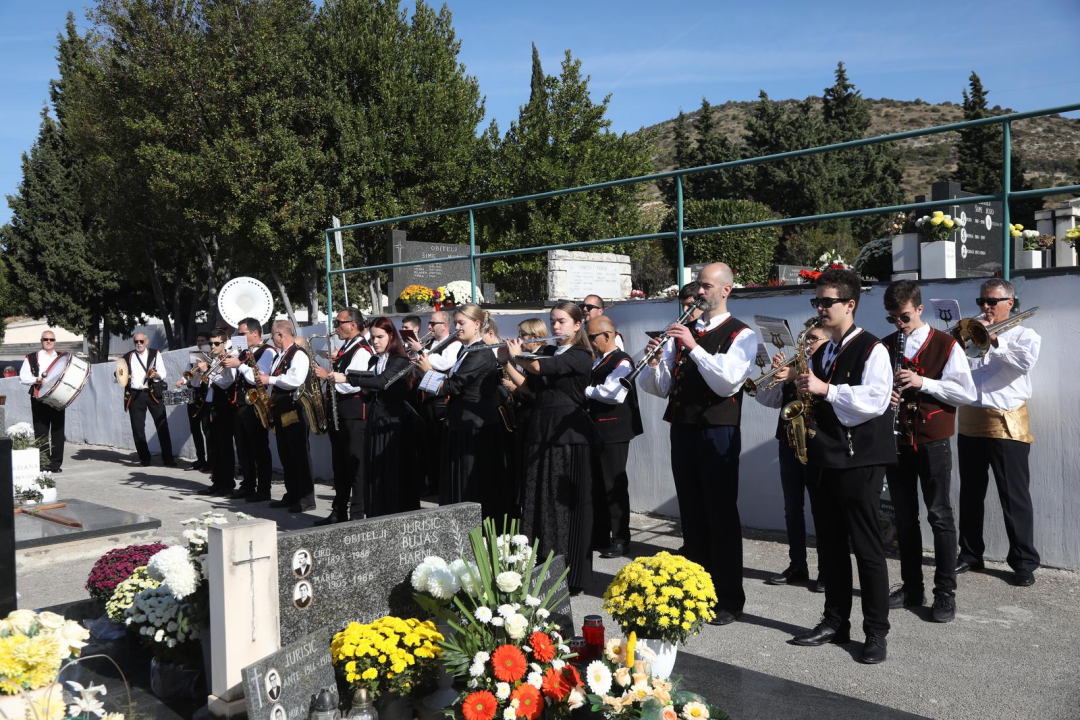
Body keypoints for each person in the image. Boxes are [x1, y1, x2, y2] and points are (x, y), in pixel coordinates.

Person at [638, 262, 756, 625]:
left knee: (720, 514)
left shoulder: (742, 334)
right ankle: (694, 593)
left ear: (725, 290)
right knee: (692, 514)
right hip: (683, 428)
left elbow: (727, 384)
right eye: (699, 286)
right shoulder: (684, 331)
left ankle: (729, 599)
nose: (699, 292)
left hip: (717, 431)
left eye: (707, 286)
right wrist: (656, 361)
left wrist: (694, 346)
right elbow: (660, 389)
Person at [790, 268, 893, 665]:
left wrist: (825, 389)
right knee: (830, 545)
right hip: (824, 457)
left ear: (850, 304)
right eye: (816, 301)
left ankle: (876, 633)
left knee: (866, 548)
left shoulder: (873, 349)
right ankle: (835, 621)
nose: (820, 308)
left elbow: (875, 400)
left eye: (826, 302)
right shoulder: (826, 348)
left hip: (859, 459)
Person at [881, 281, 976, 623]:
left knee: (939, 515)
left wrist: (924, 383)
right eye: (893, 319)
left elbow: (966, 393)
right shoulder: (885, 345)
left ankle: (945, 593)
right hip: (896, 440)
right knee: (904, 517)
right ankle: (911, 587)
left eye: (904, 317)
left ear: (919, 310)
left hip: (932, 439)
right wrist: (884, 397)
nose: (899, 325)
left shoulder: (946, 344)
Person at [956, 278, 1041, 587]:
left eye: (992, 301)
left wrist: (993, 341)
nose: (986, 307)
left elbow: (1024, 364)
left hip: (1007, 421)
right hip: (970, 419)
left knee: (1014, 496)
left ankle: (1023, 562)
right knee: (970, 492)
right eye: (982, 302)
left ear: (1010, 303)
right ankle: (969, 554)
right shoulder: (968, 332)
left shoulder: (1025, 335)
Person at [506, 302, 596, 593]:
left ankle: (566, 572)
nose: (555, 327)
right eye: (552, 321)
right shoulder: (548, 350)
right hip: (540, 431)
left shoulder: (581, 355)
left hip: (566, 435)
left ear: (577, 325)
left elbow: (540, 367)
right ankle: (539, 566)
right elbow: (530, 386)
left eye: (561, 321)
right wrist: (505, 359)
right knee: (537, 500)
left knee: (561, 505)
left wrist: (517, 354)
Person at [753, 318, 829, 592]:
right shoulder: (794, 365)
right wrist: (775, 377)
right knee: (792, 508)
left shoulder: (826, 365)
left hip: (816, 445)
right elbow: (769, 401)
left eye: (814, 339)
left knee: (822, 510)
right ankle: (798, 565)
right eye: (807, 340)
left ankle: (827, 570)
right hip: (787, 442)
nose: (809, 345)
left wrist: (796, 377)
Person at [416, 305, 507, 518]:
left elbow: (452, 386)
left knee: (470, 483)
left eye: (461, 323)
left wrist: (427, 372)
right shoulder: (465, 350)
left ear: (477, 325)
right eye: (455, 323)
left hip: (474, 427)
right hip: (460, 422)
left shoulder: (480, 352)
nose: (457, 328)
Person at [346, 317, 420, 517]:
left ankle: (397, 513)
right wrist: (363, 386)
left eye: (380, 337)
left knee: (393, 470)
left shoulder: (399, 358)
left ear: (391, 336)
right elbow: (369, 391)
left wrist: (348, 378)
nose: (375, 342)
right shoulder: (374, 359)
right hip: (376, 417)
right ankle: (377, 512)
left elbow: (383, 382)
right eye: (372, 338)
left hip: (394, 421)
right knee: (375, 469)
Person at [584, 316, 642, 559]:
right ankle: (600, 534)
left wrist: (583, 390)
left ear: (607, 336)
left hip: (614, 431)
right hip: (597, 430)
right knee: (597, 483)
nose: (589, 341)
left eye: (592, 337)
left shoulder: (623, 361)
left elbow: (613, 393)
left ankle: (620, 538)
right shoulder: (599, 360)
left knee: (613, 484)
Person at [316, 307, 372, 525]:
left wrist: (328, 376)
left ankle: (357, 513)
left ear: (353, 325)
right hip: (340, 413)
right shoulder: (348, 347)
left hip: (354, 414)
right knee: (340, 465)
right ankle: (338, 511)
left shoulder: (362, 350)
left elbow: (354, 384)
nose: (335, 328)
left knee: (355, 466)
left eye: (338, 323)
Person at [258, 321, 316, 513]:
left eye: (273, 335)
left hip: (294, 409)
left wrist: (270, 379)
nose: (272, 339)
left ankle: (306, 498)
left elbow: (295, 380)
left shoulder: (298, 354)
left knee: (299, 455)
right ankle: (292, 494)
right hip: (281, 409)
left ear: (280, 335)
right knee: (286, 455)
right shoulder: (281, 355)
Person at [407, 311, 461, 496]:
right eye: (429, 323)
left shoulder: (454, 344)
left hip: (441, 399)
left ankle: (440, 485)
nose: (429, 327)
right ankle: (431, 482)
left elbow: (445, 363)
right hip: (425, 397)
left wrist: (421, 352)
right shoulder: (430, 344)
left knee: (439, 443)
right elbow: (422, 367)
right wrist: (415, 363)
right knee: (426, 443)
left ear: (445, 326)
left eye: (433, 323)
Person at [223, 318, 277, 501]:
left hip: (256, 405)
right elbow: (234, 378)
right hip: (240, 403)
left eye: (242, 333)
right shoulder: (244, 353)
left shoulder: (267, 351)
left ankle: (263, 489)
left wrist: (240, 365)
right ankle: (247, 485)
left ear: (255, 333)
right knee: (243, 447)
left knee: (259, 448)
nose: (239, 336)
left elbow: (258, 377)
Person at [122, 332, 176, 467]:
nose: (139, 344)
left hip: (152, 393)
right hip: (135, 395)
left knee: (162, 425)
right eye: (136, 342)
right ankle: (144, 458)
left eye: (141, 341)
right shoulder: (127, 357)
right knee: (137, 428)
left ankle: (168, 458)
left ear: (147, 342)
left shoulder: (155, 353)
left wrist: (155, 374)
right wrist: (120, 376)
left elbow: (162, 373)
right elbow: (119, 375)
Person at [196, 329, 238, 496]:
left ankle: (227, 483)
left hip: (224, 407)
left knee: (224, 446)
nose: (212, 346)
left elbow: (228, 382)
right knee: (213, 445)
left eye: (216, 343)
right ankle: (217, 481)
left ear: (224, 343)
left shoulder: (228, 358)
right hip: (211, 405)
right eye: (211, 343)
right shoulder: (214, 359)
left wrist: (208, 371)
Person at [19, 331, 66, 472]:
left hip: (58, 397)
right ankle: (44, 464)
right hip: (39, 397)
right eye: (46, 339)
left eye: (51, 339)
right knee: (41, 431)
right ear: (41, 341)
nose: (48, 341)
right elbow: (23, 377)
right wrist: (36, 379)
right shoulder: (32, 357)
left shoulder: (62, 358)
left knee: (58, 431)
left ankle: (56, 464)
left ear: (55, 341)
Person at [174, 332, 212, 472]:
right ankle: (200, 459)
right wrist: (182, 380)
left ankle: (211, 460)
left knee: (207, 430)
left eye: (203, 340)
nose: (200, 343)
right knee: (194, 428)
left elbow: (210, 378)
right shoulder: (193, 357)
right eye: (198, 340)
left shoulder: (211, 357)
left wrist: (202, 372)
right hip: (193, 394)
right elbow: (187, 373)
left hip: (205, 394)